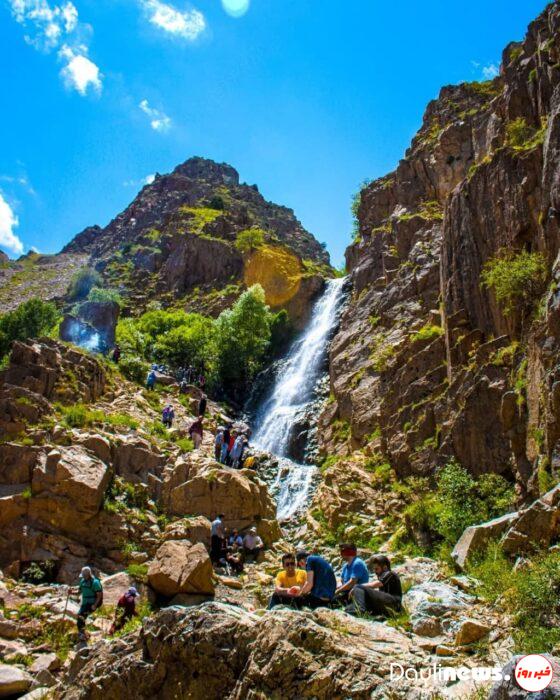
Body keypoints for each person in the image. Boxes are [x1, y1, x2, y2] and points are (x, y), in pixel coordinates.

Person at [76, 566, 103, 639]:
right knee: (79, 616)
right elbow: (79, 592)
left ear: (88, 575)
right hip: (85, 603)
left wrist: (95, 605)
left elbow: (99, 595)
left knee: (81, 618)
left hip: (91, 604)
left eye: (84, 576)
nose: (83, 577)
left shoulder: (95, 582)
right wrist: (71, 592)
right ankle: (84, 634)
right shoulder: (82, 581)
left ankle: (83, 635)